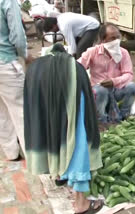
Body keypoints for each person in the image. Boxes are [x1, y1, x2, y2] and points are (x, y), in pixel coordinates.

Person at [24, 44, 103, 214]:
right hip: (72, 90)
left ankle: (59, 173)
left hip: (43, 90)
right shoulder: (76, 69)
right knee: (78, 136)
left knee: (51, 127)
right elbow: (81, 120)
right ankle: (81, 204)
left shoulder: (35, 69)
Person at [78, 23, 135, 124]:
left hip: (117, 89)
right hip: (98, 91)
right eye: (112, 38)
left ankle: (124, 116)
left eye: (118, 37)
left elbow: (128, 74)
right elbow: (78, 66)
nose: (116, 41)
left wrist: (114, 81)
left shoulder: (123, 53)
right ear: (103, 40)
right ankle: (101, 120)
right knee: (101, 91)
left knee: (132, 87)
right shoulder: (93, 52)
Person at [0, 0, 33, 160]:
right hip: (5, 62)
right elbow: (18, 36)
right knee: (21, 110)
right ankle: (33, 155)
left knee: (1, 112)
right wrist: (25, 55)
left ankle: (11, 153)